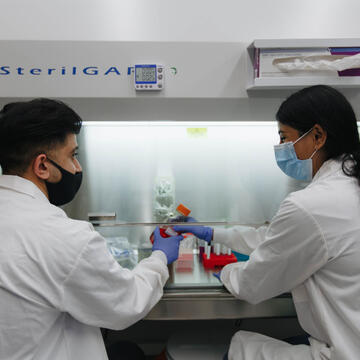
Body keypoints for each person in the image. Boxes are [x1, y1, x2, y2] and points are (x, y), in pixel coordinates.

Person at [173, 85, 360, 360]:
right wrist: (212, 233)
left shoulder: (311, 205)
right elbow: (277, 238)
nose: (282, 148)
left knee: (238, 349)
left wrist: (218, 265)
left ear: (318, 136)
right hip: (350, 336)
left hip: (345, 351)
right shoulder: (347, 187)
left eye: (285, 138)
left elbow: (251, 286)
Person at [0, 98, 183, 360]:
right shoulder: (63, 237)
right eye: (72, 156)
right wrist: (160, 258)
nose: (77, 168)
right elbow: (127, 302)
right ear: (42, 166)